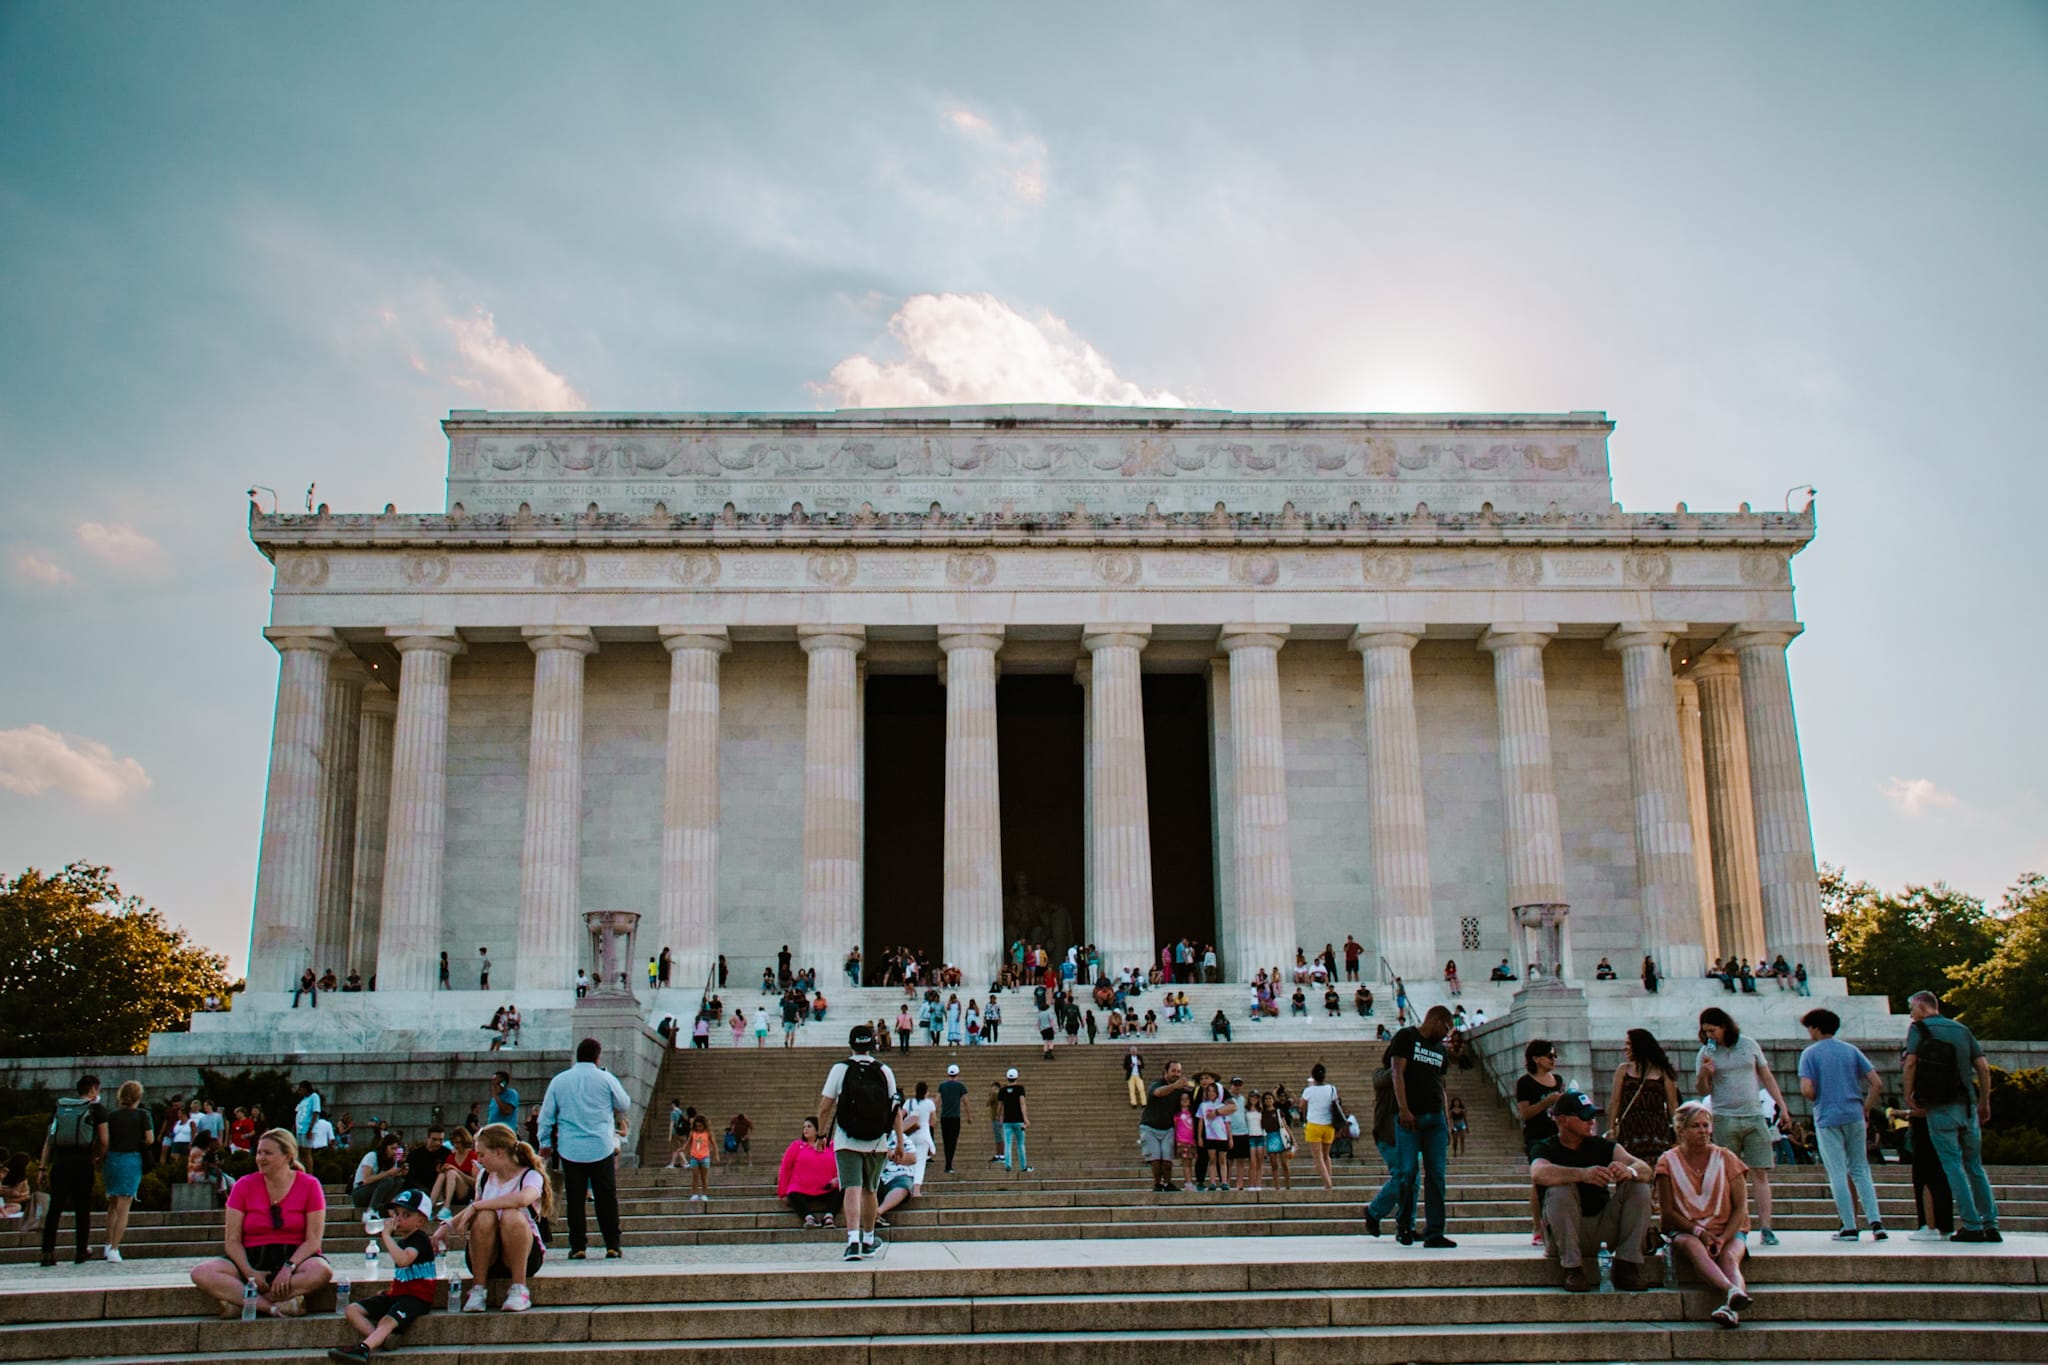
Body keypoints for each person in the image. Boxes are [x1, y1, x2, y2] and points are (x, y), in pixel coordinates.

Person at [190, 1128, 332, 1317]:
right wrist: (249, 1272)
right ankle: (271, 1306)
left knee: (322, 1271)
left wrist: (288, 1268)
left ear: (287, 1156)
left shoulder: (310, 1185)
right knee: (202, 1272)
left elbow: (313, 1240)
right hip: (250, 1257)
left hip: (295, 1257)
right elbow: (232, 1241)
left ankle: (244, 1300)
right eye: (258, 1152)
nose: (260, 1158)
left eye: (268, 1153)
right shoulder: (243, 1185)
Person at [1530, 1093, 1654, 1293]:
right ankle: (1572, 1269)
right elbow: (1538, 1173)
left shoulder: (1601, 1145)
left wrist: (1629, 1171)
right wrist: (1581, 1174)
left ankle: (1627, 1264)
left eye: (1592, 1116)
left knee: (1638, 1185)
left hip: (1603, 1228)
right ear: (1562, 1120)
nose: (1591, 1122)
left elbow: (1645, 1169)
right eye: (1584, 1117)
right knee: (1560, 1188)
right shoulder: (1545, 1147)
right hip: (1564, 1234)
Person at [1903, 990, 1999, 1241]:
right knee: (1975, 1167)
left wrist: (1907, 1094)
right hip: (1967, 1106)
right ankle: (1991, 1223)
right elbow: (1983, 1068)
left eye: (1912, 1009)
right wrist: (1984, 1101)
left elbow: (1911, 1062)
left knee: (1952, 1166)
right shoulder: (1962, 1029)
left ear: (1923, 1008)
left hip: (1939, 1107)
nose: (1911, 1014)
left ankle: (1971, 1225)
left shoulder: (1918, 1029)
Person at [1364, 1005, 1456, 1247]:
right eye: (1446, 1028)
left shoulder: (1440, 1050)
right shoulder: (1407, 1037)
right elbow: (1396, 1072)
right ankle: (1404, 1226)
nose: (1446, 1035)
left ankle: (1435, 1232)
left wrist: (1446, 1120)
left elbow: (1441, 1086)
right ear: (1435, 1020)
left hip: (1434, 1118)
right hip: (1409, 1118)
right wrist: (1404, 1109)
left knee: (1437, 1175)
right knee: (1407, 1174)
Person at [1696, 1006, 1789, 1245]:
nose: (1709, 1036)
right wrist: (1705, 1073)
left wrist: (1781, 1105)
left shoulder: (1748, 1045)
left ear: (1724, 1026)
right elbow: (1702, 1091)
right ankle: (1735, 1225)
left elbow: (1766, 1076)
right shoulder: (1705, 1053)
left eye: (1712, 1030)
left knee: (1760, 1172)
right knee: (1728, 1176)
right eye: (1705, 1031)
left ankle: (1766, 1227)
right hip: (1724, 1117)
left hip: (1753, 1115)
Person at [1794, 1008, 1886, 1240]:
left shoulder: (1810, 1054)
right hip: (1854, 1113)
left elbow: (1807, 1089)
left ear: (1815, 1027)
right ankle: (1876, 1222)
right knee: (1860, 1169)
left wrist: (1819, 1096)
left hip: (1827, 1116)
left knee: (1837, 1171)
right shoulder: (1850, 1050)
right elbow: (1876, 1084)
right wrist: (1865, 1109)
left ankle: (1849, 1226)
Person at [1657, 1101, 1752, 1327]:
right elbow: (1667, 1211)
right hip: (1686, 1230)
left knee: (1729, 1258)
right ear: (1681, 1130)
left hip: (1729, 1229)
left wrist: (1723, 1238)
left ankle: (1731, 1307)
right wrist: (1699, 1231)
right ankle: (1732, 1292)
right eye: (1695, 1126)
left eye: (1706, 1125)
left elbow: (1741, 1207)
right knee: (1693, 1246)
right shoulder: (1667, 1161)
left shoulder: (1727, 1158)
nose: (1703, 1131)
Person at [536, 1037, 632, 1260]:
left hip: (571, 1149)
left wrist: (545, 1144)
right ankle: (612, 1244)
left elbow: (546, 1116)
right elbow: (624, 1103)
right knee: (606, 1197)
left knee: (576, 1200)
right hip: (601, 1146)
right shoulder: (605, 1078)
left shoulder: (560, 1081)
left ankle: (578, 1245)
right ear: (598, 1056)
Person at [818, 1023, 904, 1260]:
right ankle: (868, 1239)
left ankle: (853, 1241)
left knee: (851, 1189)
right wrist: (897, 1143)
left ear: (851, 1044)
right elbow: (895, 1109)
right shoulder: (884, 1070)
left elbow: (825, 1105)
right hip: (877, 1141)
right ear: (872, 1045)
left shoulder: (840, 1069)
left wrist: (821, 1134)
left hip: (847, 1138)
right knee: (870, 1190)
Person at [448, 1122, 550, 1312]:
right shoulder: (485, 1177)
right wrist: (446, 1228)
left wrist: (477, 1206)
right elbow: (474, 1209)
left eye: (481, 1155)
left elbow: (523, 1199)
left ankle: (519, 1288)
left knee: (511, 1214)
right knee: (485, 1215)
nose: (478, 1160)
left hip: (523, 1256)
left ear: (499, 1152)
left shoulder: (531, 1175)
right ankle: (478, 1289)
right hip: (488, 1255)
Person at [328, 1185, 437, 1361]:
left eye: (406, 1215)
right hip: (399, 1294)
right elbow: (403, 1273)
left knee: (387, 1321)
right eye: (396, 1213)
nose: (398, 1219)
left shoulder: (419, 1239)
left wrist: (386, 1236)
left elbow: (404, 1260)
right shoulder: (402, 1241)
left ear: (421, 1221)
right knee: (352, 1310)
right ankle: (383, 1338)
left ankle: (364, 1348)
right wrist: (390, 1291)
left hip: (417, 1298)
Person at [35, 1075, 107, 1267]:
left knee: (55, 1208)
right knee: (82, 1208)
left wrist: (42, 1167)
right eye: (98, 1090)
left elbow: (49, 1140)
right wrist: (98, 1156)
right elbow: (104, 1139)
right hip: (83, 1163)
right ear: (92, 1089)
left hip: (60, 1163)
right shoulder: (96, 1109)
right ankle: (81, 1250)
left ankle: (48, 1252)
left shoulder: (60, 1108)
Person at [1607, 1028, 1681, 1181]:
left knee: (1658, 1172)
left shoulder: (1664, 1072)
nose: (1625, 1048)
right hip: (1630, 1130)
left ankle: (1655, 1203)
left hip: (1657, 1131)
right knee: (1631, 1172)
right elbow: (1615, 1102)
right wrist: (1611, 1129)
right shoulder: (1623, 1070)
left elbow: (1673, 1105)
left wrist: (1678, 1134)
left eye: (1629, 1044)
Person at [1516, 1038, 1567, 1246]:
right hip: (1536, 1136)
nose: (1553, 1059)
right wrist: (1547, 1101)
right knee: (1539, 1180)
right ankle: (1538, 1226)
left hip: (1557, 1134)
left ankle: (1556, 1224)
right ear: (1536, 1059)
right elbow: (1525, 1113)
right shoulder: (1525, 1083)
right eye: (1549, 1056)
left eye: (1555, 1056)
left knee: (1559, 1179)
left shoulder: (1558, 1079)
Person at [102, 1080, 152, 1262]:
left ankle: (107, 1244)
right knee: (125, 1206)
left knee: (112, 1205)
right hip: (131, 1158)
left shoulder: (112, 1115)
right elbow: (149, 1139)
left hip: (112, 1158)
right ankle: (115, 1248)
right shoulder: (142, 1115)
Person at [1139, 1060, 1194, 1193]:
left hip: (1167, 1128)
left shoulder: (1179, 1089)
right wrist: (1174, 1086)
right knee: (1156, 1158)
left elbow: (1192, 1093)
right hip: (1150, 1127)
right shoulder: (1157, 1084)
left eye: (1179, 1071)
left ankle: (1168, 1183)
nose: (1176, 1074)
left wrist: (1191, 1086)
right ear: (1166, 1072)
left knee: (1167, 1160)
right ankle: (1157, 1184)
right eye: (1173, 1071)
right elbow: (1158, 1093)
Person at [778, 1118, 841, 1227]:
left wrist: (838, 1179)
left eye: (809, 1126)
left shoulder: (831, 1146)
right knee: (793, 1193)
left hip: (827, 1188)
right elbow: (785, 1168)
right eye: (804, 1127)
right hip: (802, 1188)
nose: (805, 1129)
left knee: (840, 1191)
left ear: (818, 1130)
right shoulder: (796, 1146)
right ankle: (809, 1218)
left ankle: (829, 1217)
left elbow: (842, 1165)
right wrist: (782, 1192)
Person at [1299, 1063, 1340, 1191]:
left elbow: (1301, 1106)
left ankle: (1327, 1183)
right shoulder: (1332, 1088)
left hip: (1314, 1124)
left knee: (1318, 1157)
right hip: (1329, 1125)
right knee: (1326, 1155)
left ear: (1313, 1076)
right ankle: (1329, 1179)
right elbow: (1336, 1103)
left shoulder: (1308, 1090)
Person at [431, 1127, 479, 1212]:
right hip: (450, 1193)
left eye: (459, 1142)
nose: (456, 1145)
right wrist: (442, 1170)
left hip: (465, 1193)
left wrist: (457, 1171)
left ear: (464, 1141)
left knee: (452, 1173)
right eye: (454, 1143)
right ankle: (430, 1205)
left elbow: (476, 1182)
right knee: (442, 1175)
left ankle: (446, 1208)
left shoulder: (473, 1156)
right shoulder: (451, 1157)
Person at [997, 1067, 1032, 1173]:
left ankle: (1008, 1165)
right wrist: (1025, 1119)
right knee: (1020, 1144)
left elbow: (1000, 1105)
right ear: (1016, 1077)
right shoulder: (1020, 1089)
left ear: (1007, 1078)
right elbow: (1022, 1104)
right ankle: (1023, 1166)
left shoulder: (1002, 1090)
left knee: (1008, 1144)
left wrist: (999, 1116)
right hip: (1018, 1121)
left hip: (1007, 1121)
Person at [938, 1064, 968, 1174]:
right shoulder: (960, 1086)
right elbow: (966, 1101)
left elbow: (937, 1100)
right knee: (952, 1141)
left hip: (944, 1117)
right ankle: (949, 1164)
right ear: (958, 1074)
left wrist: (934, 1114)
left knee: (946, 1141)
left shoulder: (942, 1086)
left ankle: (948, 1163)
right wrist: (969, 1115)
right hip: (955, 1117)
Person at [685, 1115, 716, 1202]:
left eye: (700, 1126)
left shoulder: (707, 1133)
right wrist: (684, 1149)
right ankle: (694, 1194)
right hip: (694, 1156)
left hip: (705, 1157)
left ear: (704, 1125)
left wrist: (716, 1154)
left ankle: (704, 1194)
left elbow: (714, 1143)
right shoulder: (693, 1133)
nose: (698, 1128)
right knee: (695, 1176)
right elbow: (688, 1142)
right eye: (697, 1126)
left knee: (704, 1177)